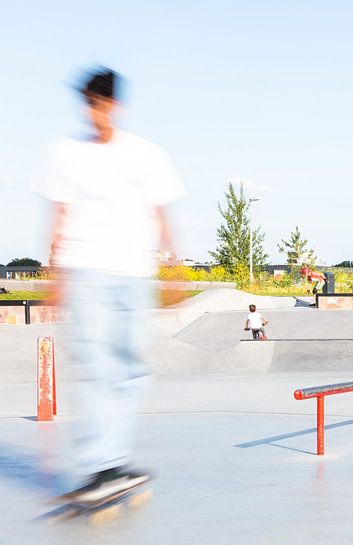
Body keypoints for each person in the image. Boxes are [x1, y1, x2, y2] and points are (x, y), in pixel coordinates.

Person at [36, 67, 184, 502]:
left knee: (130, 369)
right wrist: (56, 273)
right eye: (89, 105)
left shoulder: (146, 154)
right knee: (98, 368)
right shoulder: (64, 152)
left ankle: (113, 463)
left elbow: (160, 213)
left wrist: (174, 267)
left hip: (134, 273)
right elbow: (59, 215)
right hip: (87, 272)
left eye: (102, 106)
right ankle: (100, 465)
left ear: (116, 106)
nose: (95, 114)